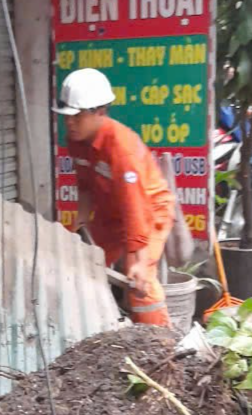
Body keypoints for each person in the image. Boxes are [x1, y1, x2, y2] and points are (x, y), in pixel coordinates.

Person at [54, 68, 175, 326]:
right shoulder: (76, 140)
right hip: (112, 213)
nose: (70, 123)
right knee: (84, 263)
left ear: (100, 111)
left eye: (76, 116)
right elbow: (85, 187)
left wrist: (140, 259)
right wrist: (80, 226)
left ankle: (160, 346)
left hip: (149, 212)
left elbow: (136, 207)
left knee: (139, 283)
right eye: (67, 117)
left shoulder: (122, 149)